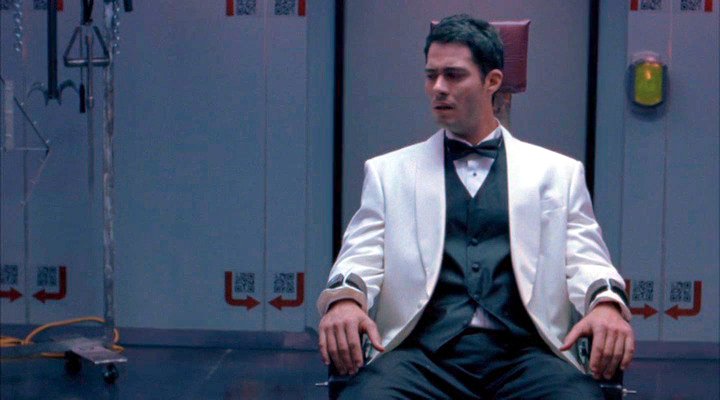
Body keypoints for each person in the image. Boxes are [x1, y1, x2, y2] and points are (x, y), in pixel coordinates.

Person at [317, 14, 634, 399]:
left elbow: (587, 258)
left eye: (453, 75)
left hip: (525, 355)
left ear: (492, 81)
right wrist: (345, 300)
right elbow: (359, 255)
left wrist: (606, 304)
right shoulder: (389, 173)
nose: (438, 87)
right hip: (421, 356)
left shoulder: (558, 174)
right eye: (431, 75)